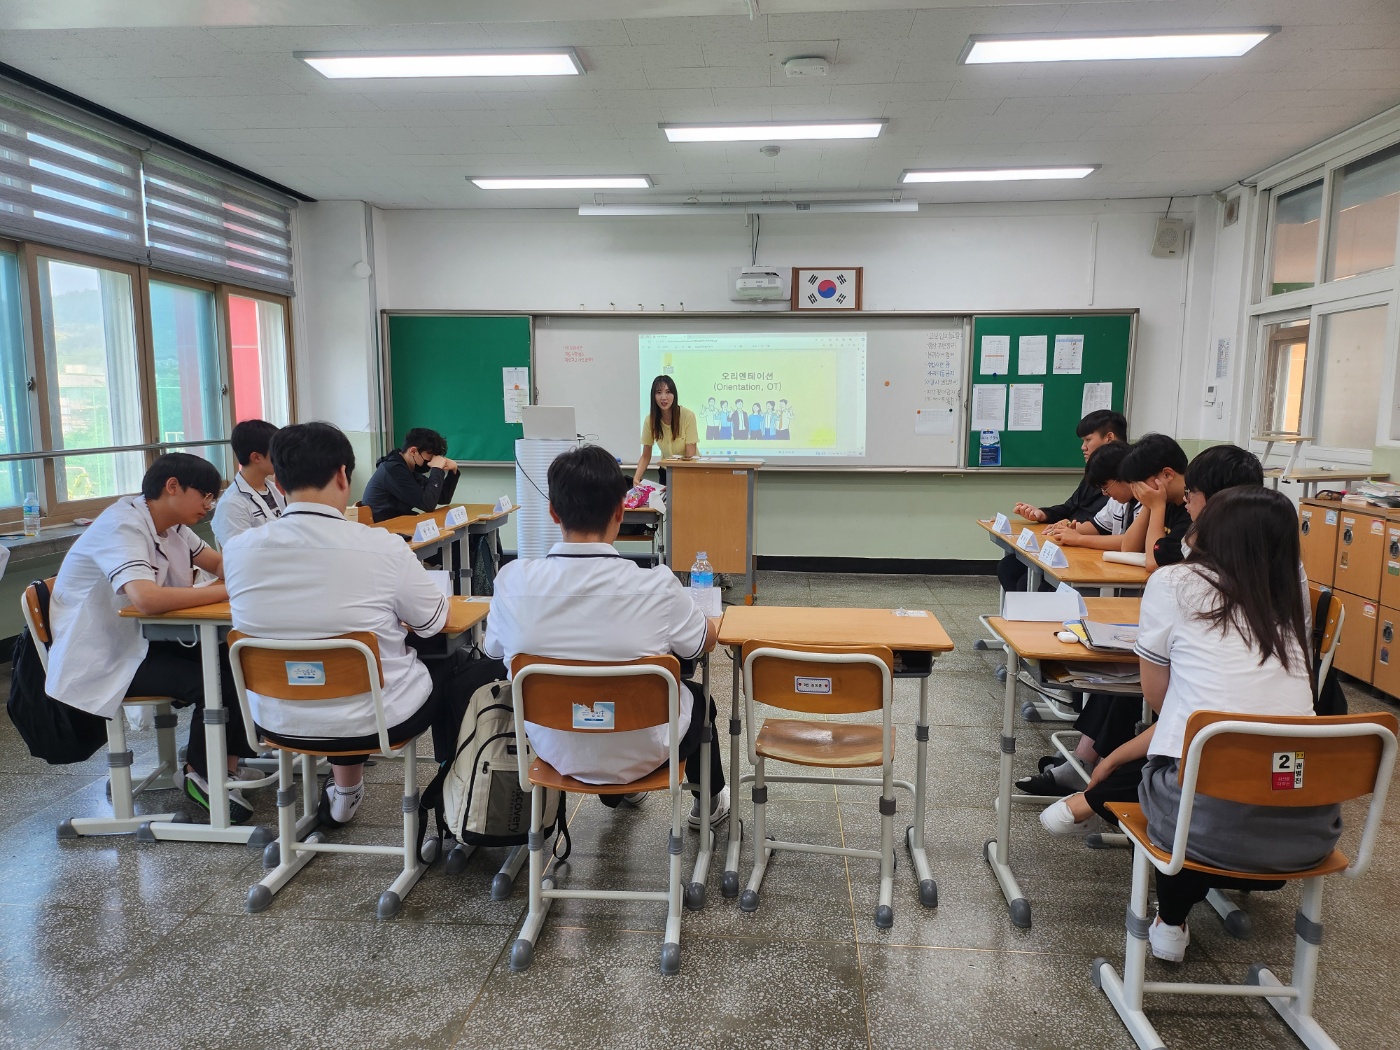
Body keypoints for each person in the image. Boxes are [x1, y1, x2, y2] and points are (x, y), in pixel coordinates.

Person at [1043, 488, 1333, 962]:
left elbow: (1162, 700)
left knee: (1185, 777)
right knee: (1211, 764)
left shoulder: (1177, 583)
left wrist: (1118, 754)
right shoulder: (1290, 599)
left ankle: (1168, 914)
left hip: (1201, 827)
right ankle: (1097, 809)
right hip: (1304, 834)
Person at [224, 422, 459, 827]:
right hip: (374, 720)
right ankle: (455, 802)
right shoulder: (381, 545)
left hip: (277, 718)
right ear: (342, 475)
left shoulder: (238, 550)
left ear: (278, 482)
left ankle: (345, 792)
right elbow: (434, 621)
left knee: (332, 664)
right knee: (450, 662)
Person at [486, 444, 729, 827]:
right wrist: (708, 621)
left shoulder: (511, 582)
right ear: (621, 511)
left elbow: (493, 650)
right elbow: (703, 642)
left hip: (553, 746)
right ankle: (708, 806)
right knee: (698, 698)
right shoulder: (658, 587)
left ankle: (622, 791)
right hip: (644, 749)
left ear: (553, 512)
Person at [1025, 441, 1268, 797]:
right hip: (1252, 725)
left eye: (1192, 493)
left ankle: (1095, 774)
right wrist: (1151, 507)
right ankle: (1088, 762)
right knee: (1130, 666)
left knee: (1133, 672)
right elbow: (1131, 547)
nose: (1186, 499)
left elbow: (1156, 564)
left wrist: (1153, 506)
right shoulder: (1276, 560)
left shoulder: (1192, 544)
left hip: (1214, 723)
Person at [45, 453, 259, 822]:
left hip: (144, 640)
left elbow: (220, 565)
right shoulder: (123, 525)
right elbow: (147, 598)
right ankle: (201, 774)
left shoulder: (172, 524)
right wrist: (225, 591)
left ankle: (223, 765)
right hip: (106, 653)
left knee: (238, 656)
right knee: (217, 679)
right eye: (205, 496)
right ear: (172, 486)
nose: (209, 505)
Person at [998, 409, 1126, 593]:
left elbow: (1110, 533)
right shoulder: (1097, 471)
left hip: (1092, 551)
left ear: (1109, 438)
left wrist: (1077, 534)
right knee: (1009, 567)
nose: (1083, 447)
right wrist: (1043, 514)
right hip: (1074, 542)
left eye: (1088, 440)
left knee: (1033, 584)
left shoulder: (1123, 479)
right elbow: (1072, 507)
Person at [1044, 440, 1139, 552]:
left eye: (1105, 487)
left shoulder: (1146, 502)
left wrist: (1079, 539)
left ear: (1123, 476)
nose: (1105, 493)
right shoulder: (1117, 501)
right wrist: (1068, 528)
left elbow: (1131, 544)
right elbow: (1098, 526)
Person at [1117, 433, 1193, 572]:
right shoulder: (1165, 499)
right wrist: (1148, 505)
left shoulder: (1193, 509)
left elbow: (1154, 563)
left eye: (1140, 483)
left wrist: (1156, 506)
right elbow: (1128, 549)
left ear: (1167, 474)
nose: (1138, 490)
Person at [212, 418, 285, 548]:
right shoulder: (231, 504)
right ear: (256, 457)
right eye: (275, 453)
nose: (281, 458)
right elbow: (239, 553)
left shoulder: (275, 489)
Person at [361, 427, 460, 522]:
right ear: (413, 451)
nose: (431, 460)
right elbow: (427, 505)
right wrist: (437, 469)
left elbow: (442, 498)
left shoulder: (410, 467)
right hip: (384, 527)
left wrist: (453, 472)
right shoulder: (394, 470)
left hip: (400, 521)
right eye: (430, 455)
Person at [632, 375, 698, 486]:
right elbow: (646, 455)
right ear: (653, 396)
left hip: (688, 471)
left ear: (674, 395)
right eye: (659, 393)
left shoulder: (688, 416)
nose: (663, 397)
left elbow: (689, 456)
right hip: (666, 472)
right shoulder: (650, 420)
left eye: (668, 392)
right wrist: (636, 478)